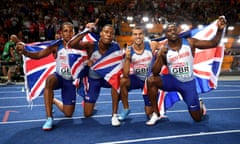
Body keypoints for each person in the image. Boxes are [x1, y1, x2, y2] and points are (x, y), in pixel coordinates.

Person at [146, 16, 227, 125]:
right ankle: (156, 114)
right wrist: (160, 56)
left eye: (174, 30)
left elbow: (213, 43)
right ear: (166, 35)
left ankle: (200, 104)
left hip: (188, 84)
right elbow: (155, 72)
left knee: (197, 119)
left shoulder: (190, 42)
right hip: (173, 81)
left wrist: (220, 30)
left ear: (178, 32)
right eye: (169, 31)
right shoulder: (164, 50)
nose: (173, 32)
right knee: (151, 80)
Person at [16, 22, 78, 131]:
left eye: (70, 31)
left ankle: (53, 100)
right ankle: (49, 118)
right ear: (61, 33)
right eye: (65, 31)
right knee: (49, 80)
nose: (68, 33)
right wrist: (25, 52)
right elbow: (39, 55)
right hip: (59, 77)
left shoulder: (79, 46)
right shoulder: (56, 46)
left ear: (74, 33)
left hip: (70, 82)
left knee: (68, 114)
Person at [68, 24, 123, 126]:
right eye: (106, 32)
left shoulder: (116, 47)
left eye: (111, 33)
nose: (108, 35)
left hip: (108, 79)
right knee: (87, 114)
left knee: (119, 82)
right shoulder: (92, 45)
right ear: (101, 34)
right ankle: (91, 103)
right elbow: (71, 44)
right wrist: (86, 30)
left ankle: (114, 115)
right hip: (94, 79)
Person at [117, 26, 159, 123]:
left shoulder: (151, 45)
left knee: (149, 113)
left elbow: (167, 46)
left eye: (140, 34)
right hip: (137, 79)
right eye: (135, 34)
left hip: (149, 81)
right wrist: (127, 58)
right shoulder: (129, 50)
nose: (138, 36)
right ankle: (126, 108)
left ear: (143, 35)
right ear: (131, 37)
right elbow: (126, 74)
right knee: (123, 81)